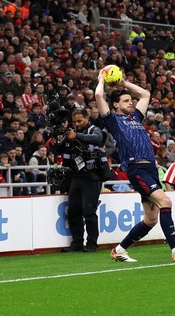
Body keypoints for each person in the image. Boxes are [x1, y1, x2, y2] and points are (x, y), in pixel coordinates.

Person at [95, 70, 175, 263]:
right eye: (126, 101)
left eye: (130, 101)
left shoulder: (135, 117)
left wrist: (124, 83)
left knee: (150, 220)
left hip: (150, 168)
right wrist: (102, 78)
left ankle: (119, 250)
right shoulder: (113, 120)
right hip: (137, 169)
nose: (131, 103)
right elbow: (99, 95)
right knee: (165, 201)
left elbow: (145, 94)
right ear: (115, 105)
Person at [56, 108, 107, 252]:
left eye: (80, 121)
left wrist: (76, 135)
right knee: (73, 211)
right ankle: (76, 243)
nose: (77, 124)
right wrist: (60, 137)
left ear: (87, 118)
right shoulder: (71, 132)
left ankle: (91, 244)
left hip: (92, 176)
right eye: (74, 122)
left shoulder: (93, 129)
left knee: (89, 211)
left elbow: (98, 139)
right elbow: (59, 149)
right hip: (76, 176)